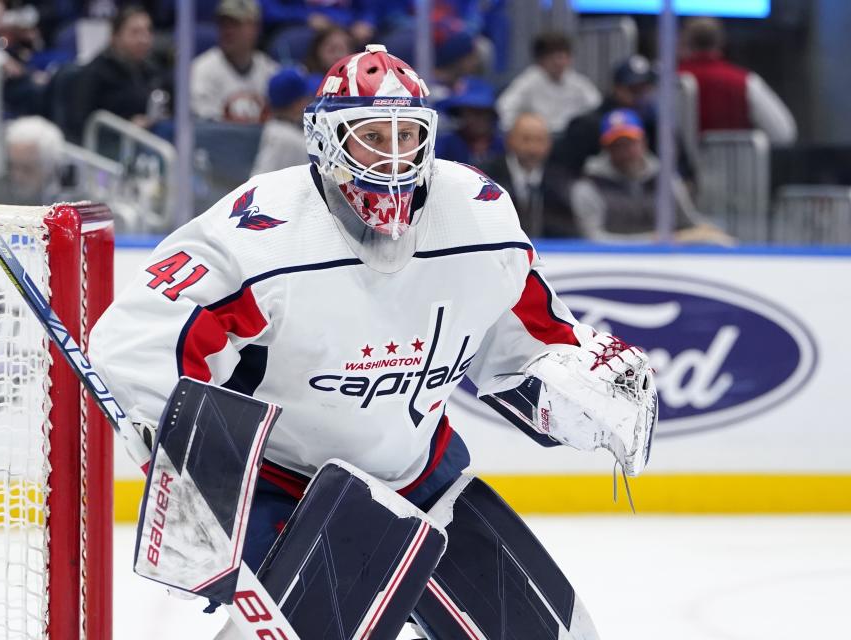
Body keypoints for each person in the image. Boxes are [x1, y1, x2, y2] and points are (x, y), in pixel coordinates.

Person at [88, 44, 657, 637]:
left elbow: (527, 334)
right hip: (291, 491)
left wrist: (573, 371)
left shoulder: (477, 217)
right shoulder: (262, 232)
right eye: (371, 137)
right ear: (328, 140)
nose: (393, 158)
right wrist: (186, 466)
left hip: (422, 479)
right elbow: (138, 345)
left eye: (406, 136)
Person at [570, 109, 732, 244]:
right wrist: (651, 241)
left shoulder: (665, 179)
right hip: (610, 266)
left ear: (643, 142)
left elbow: (688, 221)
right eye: (617, 145)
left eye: (630, 143)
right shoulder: (589, 186)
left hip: (664, 263)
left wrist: (711, 233)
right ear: (606, 148)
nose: (625, 151)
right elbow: (594, 240)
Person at [678, 16, 796, 145]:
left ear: (684, 41)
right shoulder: (745, 81)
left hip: (678, 164)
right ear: (721, 42)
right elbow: (784, 134)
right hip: (736, 164)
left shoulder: (673, 81)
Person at [70, 5, 168, 135]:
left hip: (148, 140)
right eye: (135, 32)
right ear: (115, 37)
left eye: (148, 31)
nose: (144, 39)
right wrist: (126, 126)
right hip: (109, 146)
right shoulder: (94, 73)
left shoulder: (152, 70)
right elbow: (81, 125)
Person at [481, 112, 578, 238]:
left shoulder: (560, 180)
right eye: (526, 139)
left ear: (550, 144)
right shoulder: (487, 176)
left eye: (539, 140)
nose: (532, 148)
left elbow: (567, 229)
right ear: (509, 140)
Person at [190, 0, 278, 123]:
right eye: (223, 24)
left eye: (235, 24)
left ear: (255, 28)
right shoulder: (200, 70)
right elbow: (207, 128)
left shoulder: (271, 70)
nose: (228, 31)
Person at [496, 31, 601, 134]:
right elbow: (504, 107)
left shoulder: (577, 81)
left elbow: (596, 106)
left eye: (563, 57)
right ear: (540, 59)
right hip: (539, 137)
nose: (559, 63)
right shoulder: (528, 81)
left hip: (570, 139)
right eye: (553, 58)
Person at [0, 116, 79, 206]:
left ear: (49, 166)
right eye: (12, 165)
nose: (17, 176)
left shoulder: (74, 199)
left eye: (27, 169)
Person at [249, 67, 314, 176]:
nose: (309, 100)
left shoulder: (274, 128)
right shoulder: (287, 139)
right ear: (297, 104)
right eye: (305, 97)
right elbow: (261, 182)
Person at [433, 76, 505, 166]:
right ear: (461, 114)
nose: (478, 119)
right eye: (471, 112)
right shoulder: (446, 144)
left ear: (491, 114)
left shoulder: (503, 145)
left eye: (482, 112)